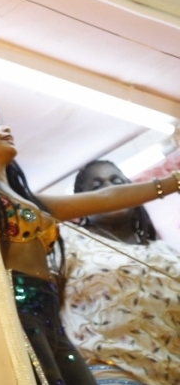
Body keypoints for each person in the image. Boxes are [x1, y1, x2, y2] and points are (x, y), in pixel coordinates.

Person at [0, 109, 180, 385]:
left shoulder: (33, 203)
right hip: (18, 308)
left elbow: (106, 198)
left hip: (48, 313)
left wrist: (173, 182)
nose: (4, 128)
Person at [59, 159, 180, 385]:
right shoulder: (66, 239)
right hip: (110, 373)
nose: (110, 190)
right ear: (81, 201)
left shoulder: (163, 250)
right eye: (97, 187)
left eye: (117, 182)